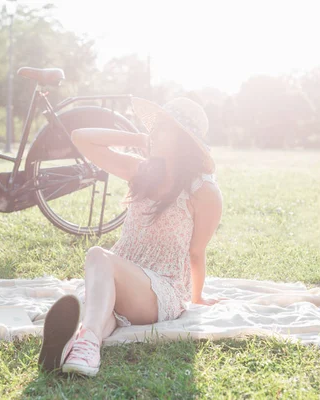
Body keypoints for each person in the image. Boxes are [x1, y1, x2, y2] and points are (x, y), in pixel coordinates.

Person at [38, 97, 223, 377]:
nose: (156, 135)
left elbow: (196, 252)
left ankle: (84, 339)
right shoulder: (141, 170)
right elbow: (81, 138)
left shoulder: (204, 191)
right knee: (103, 312)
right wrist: (136, 138)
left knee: (98, 256)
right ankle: (80, 348)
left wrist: (197, 297)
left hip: (163, 289)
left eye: (166, 130)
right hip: (121, 281)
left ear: (185, 140)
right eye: (156, 128)